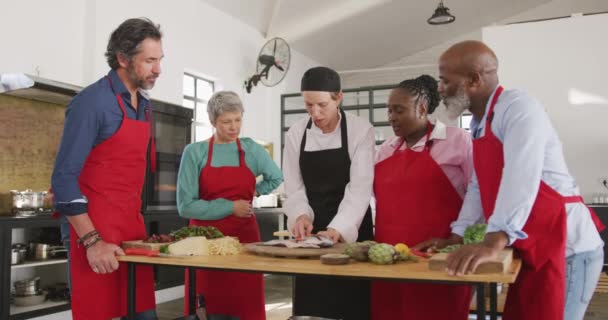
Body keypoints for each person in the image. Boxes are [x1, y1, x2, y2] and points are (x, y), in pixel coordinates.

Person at [414, 40, 605, 320]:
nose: (440, 88)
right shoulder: (480, 124)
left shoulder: (519, 108)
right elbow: (479, 187)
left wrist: (495, 239)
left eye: (445, 80)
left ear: (474, 80)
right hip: (533, 251)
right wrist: (458, 234)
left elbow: (521, 174)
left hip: (568, 250)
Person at [51, 18, 163, 320]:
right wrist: (92, 241)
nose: (158, 69)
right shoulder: (91, 103)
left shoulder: (145, 104)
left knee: (143, 315)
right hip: (93, 233)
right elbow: (63, 179)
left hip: (131, 231)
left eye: (159, 60)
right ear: (123, 58)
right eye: (149, 61)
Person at [372, 75, 473, 320]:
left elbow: (478, 194)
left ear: (422, 109)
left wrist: (459, 238)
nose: (392, 117)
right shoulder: (385, 149)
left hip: (438, 260)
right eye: (389, 110)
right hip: (389, 261)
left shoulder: (457, 140)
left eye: (399, 110)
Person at [176, 90, 283, 320]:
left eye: (238, 120)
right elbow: (185, 206)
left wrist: (254, 192)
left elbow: (276, 177)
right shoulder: (195, 152)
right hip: (204, 243)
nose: (234, 127)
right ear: (213, 121)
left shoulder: (251, 150)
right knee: (207, 305)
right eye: (226, 122)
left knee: (244, 305)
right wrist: (230, 207)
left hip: (244, 239)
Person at [283, 66, 375, 319]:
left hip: (352, 231)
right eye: (308, 105)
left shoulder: (360, 130)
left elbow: (359, 188)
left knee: (351, 305)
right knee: (312, 305)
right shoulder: (296, 133)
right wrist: (301, 216)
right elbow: (293, 186)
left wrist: (338, 229)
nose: (315, 112)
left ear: (339, 97)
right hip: (311, 233)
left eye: (322, 104)